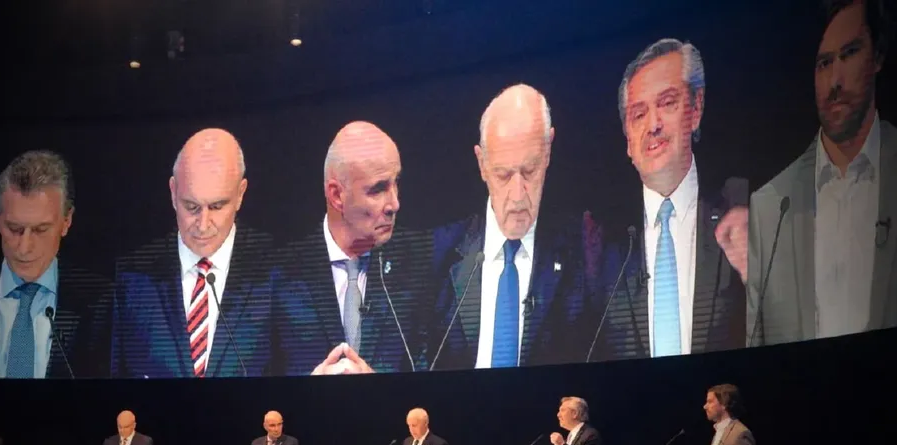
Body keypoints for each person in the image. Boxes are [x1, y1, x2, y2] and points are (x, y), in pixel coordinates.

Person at [732, 0, 897, 345]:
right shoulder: (770, 208)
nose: (835, 81)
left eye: (850, 53)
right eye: (824, 63)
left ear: (877, 56)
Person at [592, 38, 745, 361]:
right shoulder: (603, 243)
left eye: (667, 103)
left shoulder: (743, 206)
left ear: (696, 109)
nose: (653, 125)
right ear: (628, 140)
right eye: (639, 114)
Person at [425, 83, 591, 371]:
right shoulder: (440, 253)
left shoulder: (583, 252)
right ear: (482, 164)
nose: (517, 195)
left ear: (548, 151)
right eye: (503, 175)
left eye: (529, 171)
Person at [110, 128, 273, 377]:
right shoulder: (132, 279)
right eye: (191, 207)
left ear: (240, 194)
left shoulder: (275, 270)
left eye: (216, 206)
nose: (203, 224)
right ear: (173, 192)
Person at [270, 121, 426, 375]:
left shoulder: (419, 266)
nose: (394, 204)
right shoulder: (279, 275)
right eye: (378, 189)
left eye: (396, 182)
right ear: (336, 195)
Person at [0, 150, 110, 378]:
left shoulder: (103, 303)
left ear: (66, 221)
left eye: (41, 230)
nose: (24, 248)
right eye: (14, 229)